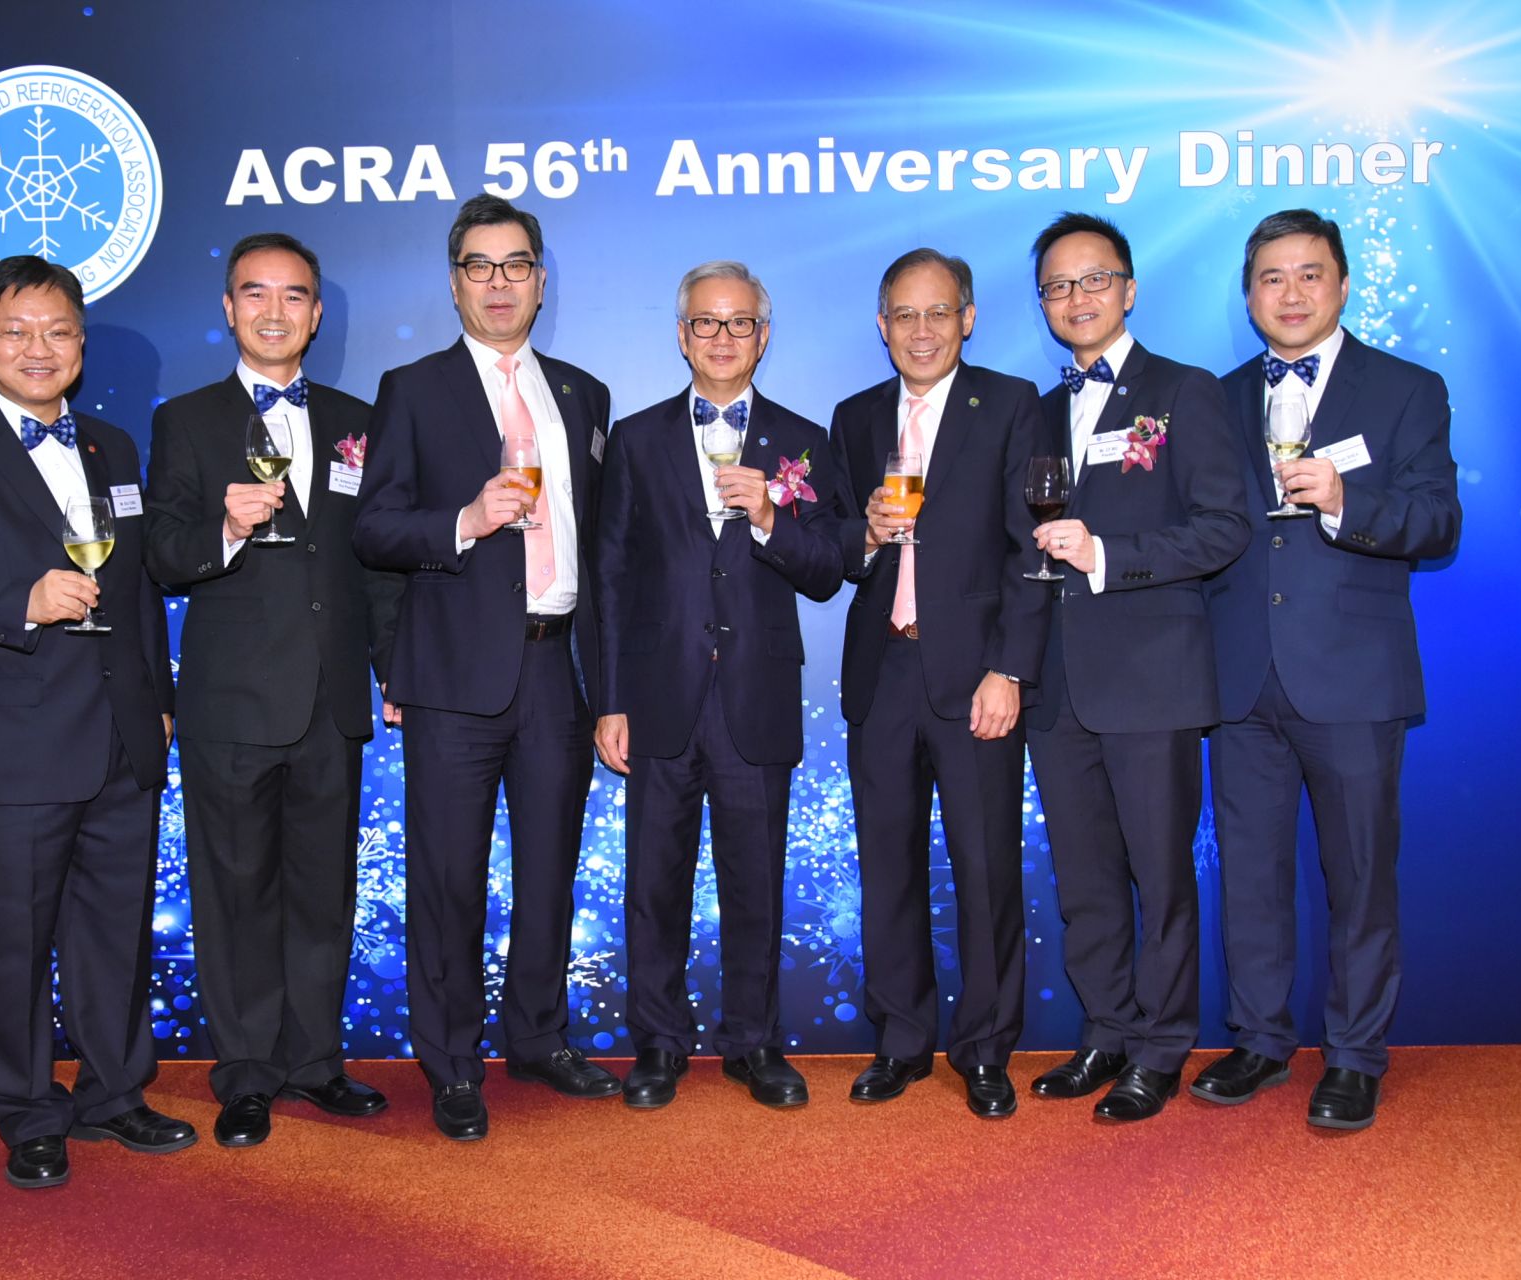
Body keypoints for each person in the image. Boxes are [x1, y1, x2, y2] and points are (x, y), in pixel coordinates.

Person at [0, 255, 193, 1188]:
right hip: (2, 749)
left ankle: (114, 1094)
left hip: (119, 741)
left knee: (113, 935)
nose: (38, 349)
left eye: (57, 331)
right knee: (10, 943)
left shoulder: (113, 448)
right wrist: (22, 599)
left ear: (81, 344)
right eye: (15, 332)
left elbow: (134, 590)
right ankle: (25, 1110)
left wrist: (158, 701)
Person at [353, 195, 618, 1141]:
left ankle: (538, 1037)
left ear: (542, 281)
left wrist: (608, 687)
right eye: (480, 265)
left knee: (550, 870)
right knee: (448, 879)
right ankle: (453, 1062)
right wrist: (465, 520)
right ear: (455, 281)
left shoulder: (584, 395)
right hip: (453, 676)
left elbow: (603, 552)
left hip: (557, 669)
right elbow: (373, 530)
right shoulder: (412, 388)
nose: (499, 283)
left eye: (516, 265)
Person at [1193, 209, 1460, 1130]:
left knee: (1359, 875)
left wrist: (1348, 500)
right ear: (1249, 295)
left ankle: (1353, 1056)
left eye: (1310, 273)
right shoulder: (1215, 398)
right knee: (1250, 876)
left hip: (1353, 677)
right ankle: (1261, 1040)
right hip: (1239, 679)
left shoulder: (1406, 389)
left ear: (1343, 284)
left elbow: (1439, 522)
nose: (1292, 292)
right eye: (1272, 277)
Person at [143, 233, 402, 1147]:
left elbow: (377, 562)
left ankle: (316, 1062)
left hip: (331, 701)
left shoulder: (357, 419)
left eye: (294, 295)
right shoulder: (185, 421)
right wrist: (223, 526)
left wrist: (392, 666)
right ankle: (248, 1072)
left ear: (316, 314)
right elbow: (160, 556)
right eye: (256, 293)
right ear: (228, 308)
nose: (275, 311)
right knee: (237, 894)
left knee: (324, 893)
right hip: (232, 704)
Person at [594, 261, 842, 1110]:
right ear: (682, 334)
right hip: (657, 694)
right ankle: (658, 1043)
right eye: (707, 322)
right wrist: (611, 699)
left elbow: (828, 569)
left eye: (740, 323)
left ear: (764, 337)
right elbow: (611, 574)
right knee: (652, 883)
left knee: (754, 881)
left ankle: (754, 1044)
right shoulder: (635, 439)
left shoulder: (803, 440)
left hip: (754, 693)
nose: (723, 337)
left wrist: (771, 518)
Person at [1023, 212, 1249, 1122]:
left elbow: (1224, 527)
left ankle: (1161, 1046)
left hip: (1152, 678)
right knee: (1084, 881)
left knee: (1160, 874)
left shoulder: (1184, 391)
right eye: (1057, 286)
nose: (1076, 298)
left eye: (1093, 279)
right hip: (1058, 685)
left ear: (1128, 288)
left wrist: (1107, 555)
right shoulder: (1038, 412)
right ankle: (1106, 1031)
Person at [828, 249, 1050, 1118]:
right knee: (887, 864)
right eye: (904, 315)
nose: (921, 331)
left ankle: (986, 1048)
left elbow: (1032, 548)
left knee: (985, 866)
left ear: (968, 318)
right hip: (882, 669)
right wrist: (865, 535)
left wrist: (1010, 668)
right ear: (881, 326)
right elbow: (836, 546)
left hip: (976, 673)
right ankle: (900, 1039)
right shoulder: (854, 417)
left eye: (938, 312)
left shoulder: (1012, 404)